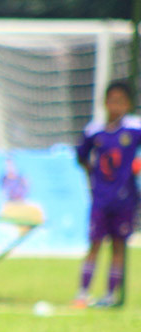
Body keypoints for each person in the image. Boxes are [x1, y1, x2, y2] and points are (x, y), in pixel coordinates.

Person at [74, 80, 141, 308]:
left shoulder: (134, 128)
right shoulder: (95, 130)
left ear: (128, 104)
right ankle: (82, 293)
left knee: (118, 246)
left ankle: (111, 295)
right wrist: (92, 177)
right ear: (105, 103)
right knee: (94, 243)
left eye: (121, 102)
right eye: (112, 101)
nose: (116, 106)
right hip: (101, 197)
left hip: (125, 198)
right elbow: (81, 156)